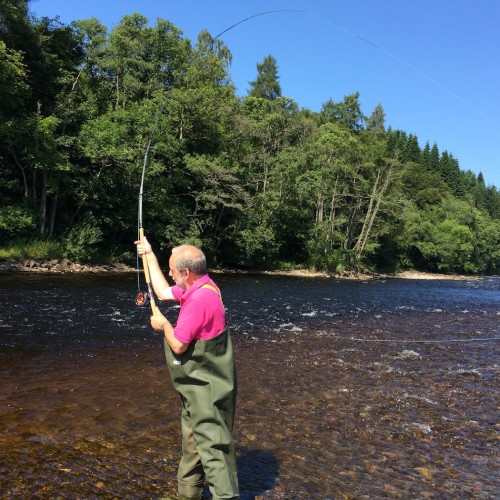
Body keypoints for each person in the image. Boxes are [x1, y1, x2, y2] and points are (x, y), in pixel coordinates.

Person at [135, 238, 239, 500]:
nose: (170, 274)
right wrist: (149, 254)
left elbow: (179, 345)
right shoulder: (201, 286)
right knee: (193, 448)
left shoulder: (199, 300)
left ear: (186, 273)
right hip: (196, 390)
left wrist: (163, 326)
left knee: (214, 452)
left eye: (172, 270)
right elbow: (160, 292)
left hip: (208, 391)